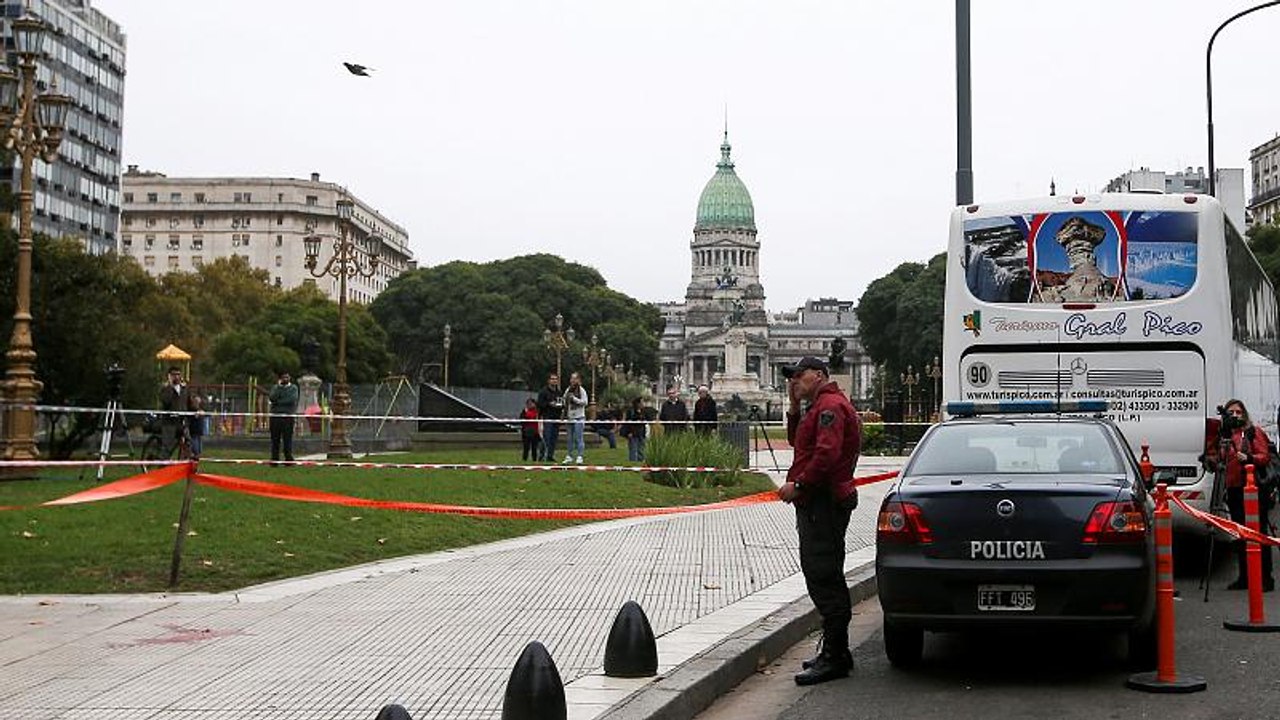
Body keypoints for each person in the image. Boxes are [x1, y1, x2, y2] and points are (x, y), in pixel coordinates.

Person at [777, 356, 862, 686]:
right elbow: (798, 442)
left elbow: (825, 456)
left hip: (823, 501)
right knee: (821, 572)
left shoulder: (830, 407)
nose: (796, 380)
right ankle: (835, 649)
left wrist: (798, 485)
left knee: (823, 574)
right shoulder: (819, 406)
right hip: (818, 500)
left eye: (800, 375)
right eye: (793, 377)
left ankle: (836, 656)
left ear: (819, 374)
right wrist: (794, 406)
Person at [1203, 399, 1274, 592]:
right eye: (1230, 412)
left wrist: (1248, 458)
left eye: (1238, 412)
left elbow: (1264, 456)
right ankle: (1244, 577)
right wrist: (1211, 458)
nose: (1234, 415)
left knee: (1258, 534)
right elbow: (1218, 459)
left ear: (1244, 414)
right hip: (1234, 489)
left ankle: (1265, 577)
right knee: (1240, 534)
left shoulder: (1252, 432)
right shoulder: (1225, 436)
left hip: (1254, 488)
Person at [158, 366, 192, 455]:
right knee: (167, 448)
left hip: (182, 421)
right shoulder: (164, 388)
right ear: (169, 376)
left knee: (188, 443)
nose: (176, 377)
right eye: (174, 375)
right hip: (169, 423)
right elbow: (166, 401)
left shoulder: (185, 388)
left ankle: (186, 464)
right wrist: (170, 387)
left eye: (178, 374)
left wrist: (198, 410)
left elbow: (189, 403)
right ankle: (162, 466)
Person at [268, 370, 299, 465]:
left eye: (287, 377)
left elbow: (291, 399)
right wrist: (279, 389)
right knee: (275, 439)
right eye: (284, 377)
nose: (286, 379)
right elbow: (272, 397)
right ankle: (274, 459)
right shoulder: (275, 388)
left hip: (288, 416)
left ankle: (288, 458)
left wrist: (278, 402)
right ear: (280, 378)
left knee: (287, 438)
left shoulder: (293, 388)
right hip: (275, 416)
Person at [537, 373, 565, 463]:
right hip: (547, 417)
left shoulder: (559, 392)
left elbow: (562, 404)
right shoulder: (543, 392)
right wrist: (549, 404)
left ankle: (550, 455)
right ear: (549, 380)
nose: (554, 381)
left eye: (555, 379)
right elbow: (540, 404)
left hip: (556, 417)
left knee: (554, 438)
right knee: (546, 437)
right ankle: (541, 455)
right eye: (552, 379)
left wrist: (561, 408)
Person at [563, 372, 589, 464]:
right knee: (569, 438)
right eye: (572, 378)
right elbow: (564, 400)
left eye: (575, 378)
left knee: (579, 437)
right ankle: (569, 455)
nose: (573, 380)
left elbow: (585, 402)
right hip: (570, 417)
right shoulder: (568, 390)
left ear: (578, 380)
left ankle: (580, 455)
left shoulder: (582, 391)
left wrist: (574, 399)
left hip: (579, 417)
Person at [621, 396, 649, 462]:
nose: (643, 404)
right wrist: (629, 432)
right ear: (638, 403)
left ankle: (641, 460)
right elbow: (628, 423)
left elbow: (646, 420)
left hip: (641, 432)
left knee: (641, 448)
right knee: (633, 448)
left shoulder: (644, 411)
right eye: (642, 402)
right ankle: (633, 462)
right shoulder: (631, 411)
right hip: (633, 433)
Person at [187, 394, 206, 460]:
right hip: (194, 432)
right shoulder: (191, 410)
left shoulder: (200, 409)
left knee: (199, 451)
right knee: (195, 450)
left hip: (199, 432)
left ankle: (195, 464)